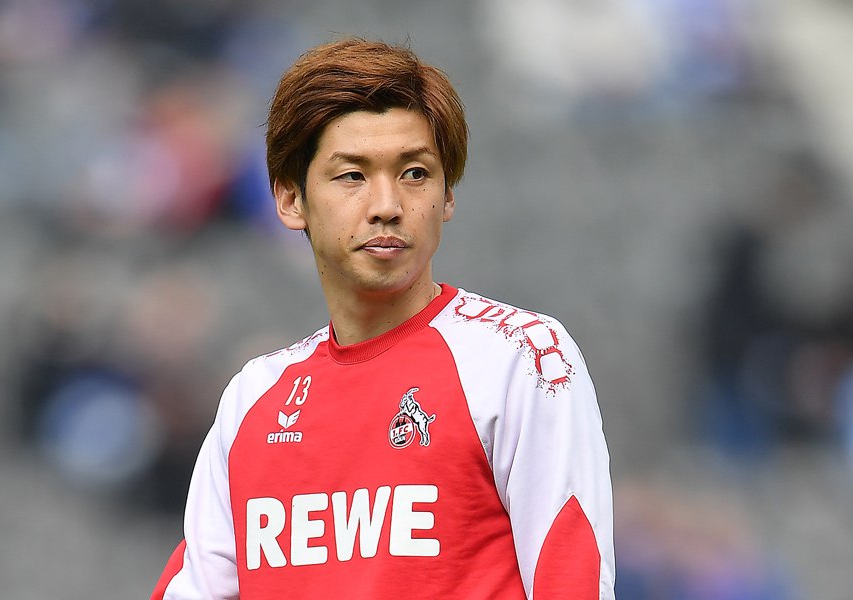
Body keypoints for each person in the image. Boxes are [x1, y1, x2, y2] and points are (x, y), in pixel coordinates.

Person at [151, 37, 614, 600]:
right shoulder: (252, 400)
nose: (387, 205)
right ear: (290, 200)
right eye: (352, 175)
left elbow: (573, 577)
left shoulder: (522, 356)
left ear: (447, 196)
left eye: (415, 173)